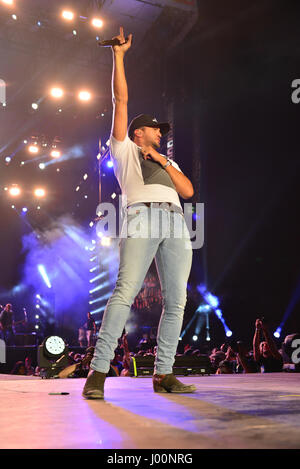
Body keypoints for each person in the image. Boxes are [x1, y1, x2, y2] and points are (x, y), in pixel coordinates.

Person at [83, 27, 196, 399]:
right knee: (125, 291)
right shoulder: (124, 151)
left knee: (176, 300)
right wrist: (118, 56)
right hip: (141, 215)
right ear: (137, 134)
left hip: (175, 222)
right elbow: (120, 101)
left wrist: (163, 159)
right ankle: (98, 372)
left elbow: (189, 191)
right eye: (155, 130)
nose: (160, 133)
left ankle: (164, 374)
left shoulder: (167, 160)